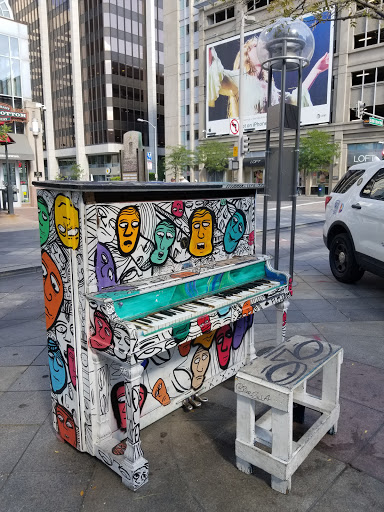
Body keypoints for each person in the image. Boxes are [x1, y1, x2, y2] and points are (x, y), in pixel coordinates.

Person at [208, 37, 329, 118]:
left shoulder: (270, 86)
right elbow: (217, 74)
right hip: (248, 137)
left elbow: (294, 99)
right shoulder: (239, 79)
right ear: (247, 54)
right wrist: (209, 49)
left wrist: (316, 70)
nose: (261, 50)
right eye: (256, 46)